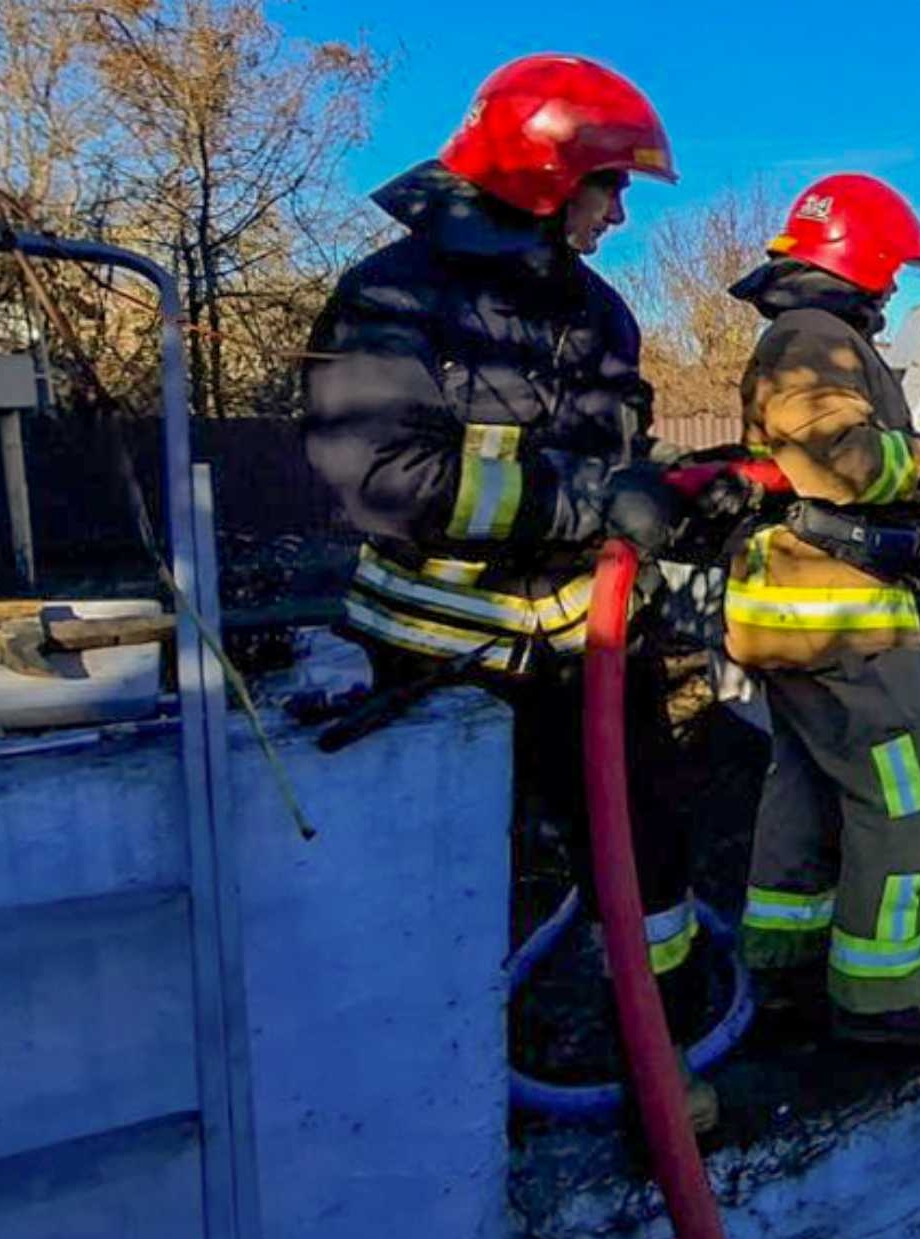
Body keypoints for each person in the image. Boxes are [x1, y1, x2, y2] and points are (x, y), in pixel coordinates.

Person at [302, 54, 716, 1127]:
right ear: (545, 177)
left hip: (590, 652)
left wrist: (674, 491)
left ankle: (657, 1065)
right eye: (608, 186)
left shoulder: (598, 312)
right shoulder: (393, 296)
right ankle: (424, 1096)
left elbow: (614, 460)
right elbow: (383, 479)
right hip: (438, 663)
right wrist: (592, 503)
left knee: (648, 857)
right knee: (448, 883)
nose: (619, 213)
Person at [724, 173, 920, 1049]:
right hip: (836, 620)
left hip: (797, 613)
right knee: (903, 800)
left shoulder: (804, 333)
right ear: (862, 259)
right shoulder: (815, 336)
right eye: (893, 269)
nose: (895, 286)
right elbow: (844, 461)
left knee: (804, 786)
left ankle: (784, 962)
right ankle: (883, 999)